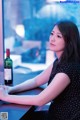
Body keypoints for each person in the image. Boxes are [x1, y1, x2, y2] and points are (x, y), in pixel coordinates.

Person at [0, 20, 80, 120]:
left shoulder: (68, 68)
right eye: (52, 34)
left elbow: (40, 100)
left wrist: (5, 97)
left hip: (63, 118)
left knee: (8, 118)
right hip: (55, 114)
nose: (52, 39)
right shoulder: (60, 61)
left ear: (69, 41)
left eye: (58, 36)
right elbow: (36, 81)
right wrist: (11, 89)